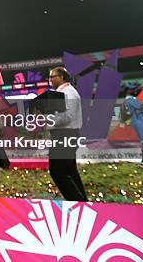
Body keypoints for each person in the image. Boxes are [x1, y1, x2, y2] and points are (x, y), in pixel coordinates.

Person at [47, 66, 88, 201]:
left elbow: (68, 116)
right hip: (65, 134)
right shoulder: (65, 92)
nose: (50, 80)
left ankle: (77, 201)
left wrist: (49, 120)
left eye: (53, 76)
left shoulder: (68, 93)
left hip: (64, 134)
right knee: (69, 171)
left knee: (58, 172)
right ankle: (82, 201)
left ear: (62, 77)